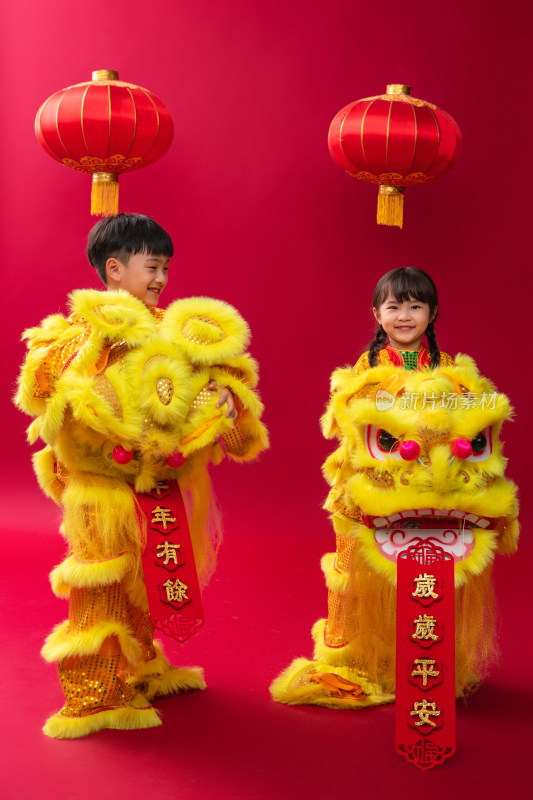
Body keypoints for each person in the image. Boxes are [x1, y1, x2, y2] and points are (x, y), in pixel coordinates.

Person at [16, 213, 268, 738]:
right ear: (115, 268)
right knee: (103, 586)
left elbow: (217, 390)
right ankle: (94, 694)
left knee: (146, 585)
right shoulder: (77, 333)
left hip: (159, 484)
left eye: (165, 269)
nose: (161, 279)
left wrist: (225, 393)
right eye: (152, 267)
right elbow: (50, 393)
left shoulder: (173, 330)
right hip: (104, 489)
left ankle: (139, 669)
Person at [270, 266, 518, 709]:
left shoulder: (456, 373)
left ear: (433, 313)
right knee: (359, 579)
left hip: (434, 499)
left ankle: (423, 661)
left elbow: (476, 432)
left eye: (415, 306)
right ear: (377, 314)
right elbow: (349, 433)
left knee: (428, 578)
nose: (404, 316)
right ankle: (362, 659)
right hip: (372, 494)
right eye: (394, 307)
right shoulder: (361, 375)